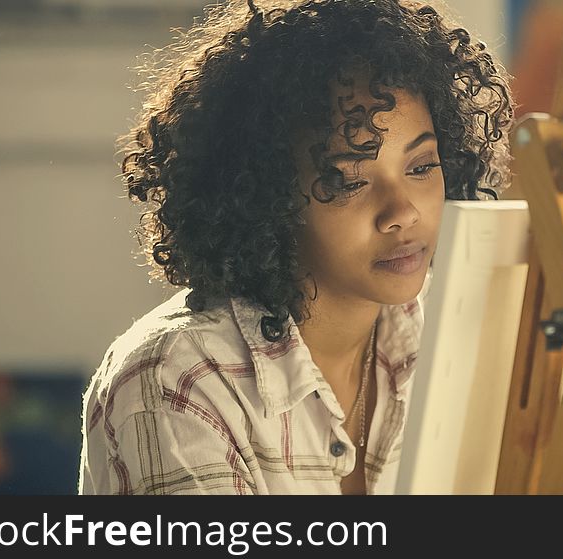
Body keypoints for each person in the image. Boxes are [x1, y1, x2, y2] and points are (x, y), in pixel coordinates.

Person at [78, 0, 514, 495]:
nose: (403, 212)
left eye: (419, 167)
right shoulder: (180, 381)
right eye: (348, 180)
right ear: (266, 195)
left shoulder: (461, 327)